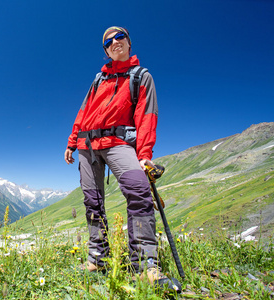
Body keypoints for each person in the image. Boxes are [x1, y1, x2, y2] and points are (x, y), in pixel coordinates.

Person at [64, 26, 163, 283]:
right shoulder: (99, 79)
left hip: (119, 142)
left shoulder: (141, 76)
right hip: (87, 145)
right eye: (109, 41)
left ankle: (144, 265)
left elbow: (147, 117)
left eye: (120, 37)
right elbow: (84, 111)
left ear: (129, 43)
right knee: (92, 201)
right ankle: (98, 259)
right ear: (106, 50)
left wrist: (144, 154)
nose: (115, 42)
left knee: (139, 189)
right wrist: (72, 141)